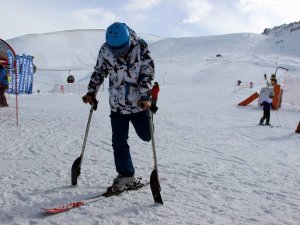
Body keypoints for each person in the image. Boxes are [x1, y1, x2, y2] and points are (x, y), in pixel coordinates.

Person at [82, 22, 154, 191]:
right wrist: (91, 92)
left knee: (147, 136)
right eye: (116, 51)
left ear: (129, 40)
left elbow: (147, 73)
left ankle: (148, 125)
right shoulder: (105, 49)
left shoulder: (141, 47)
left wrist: (145, 97)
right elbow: (99, 71)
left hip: (138, 105)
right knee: (118, 142)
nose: (120, 54)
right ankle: (126, 174)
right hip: (117, 105)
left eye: (123, 49)